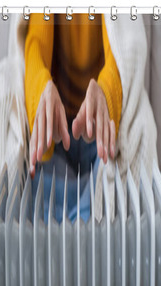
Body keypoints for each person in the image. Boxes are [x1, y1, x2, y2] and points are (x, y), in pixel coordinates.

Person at [24, 14, 122, 223]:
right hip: (59, 132)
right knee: (42, 207)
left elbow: (122, 48)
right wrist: (43, 89)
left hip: (98, 133)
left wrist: (104, 94)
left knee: (114, 166)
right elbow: (35, 46)